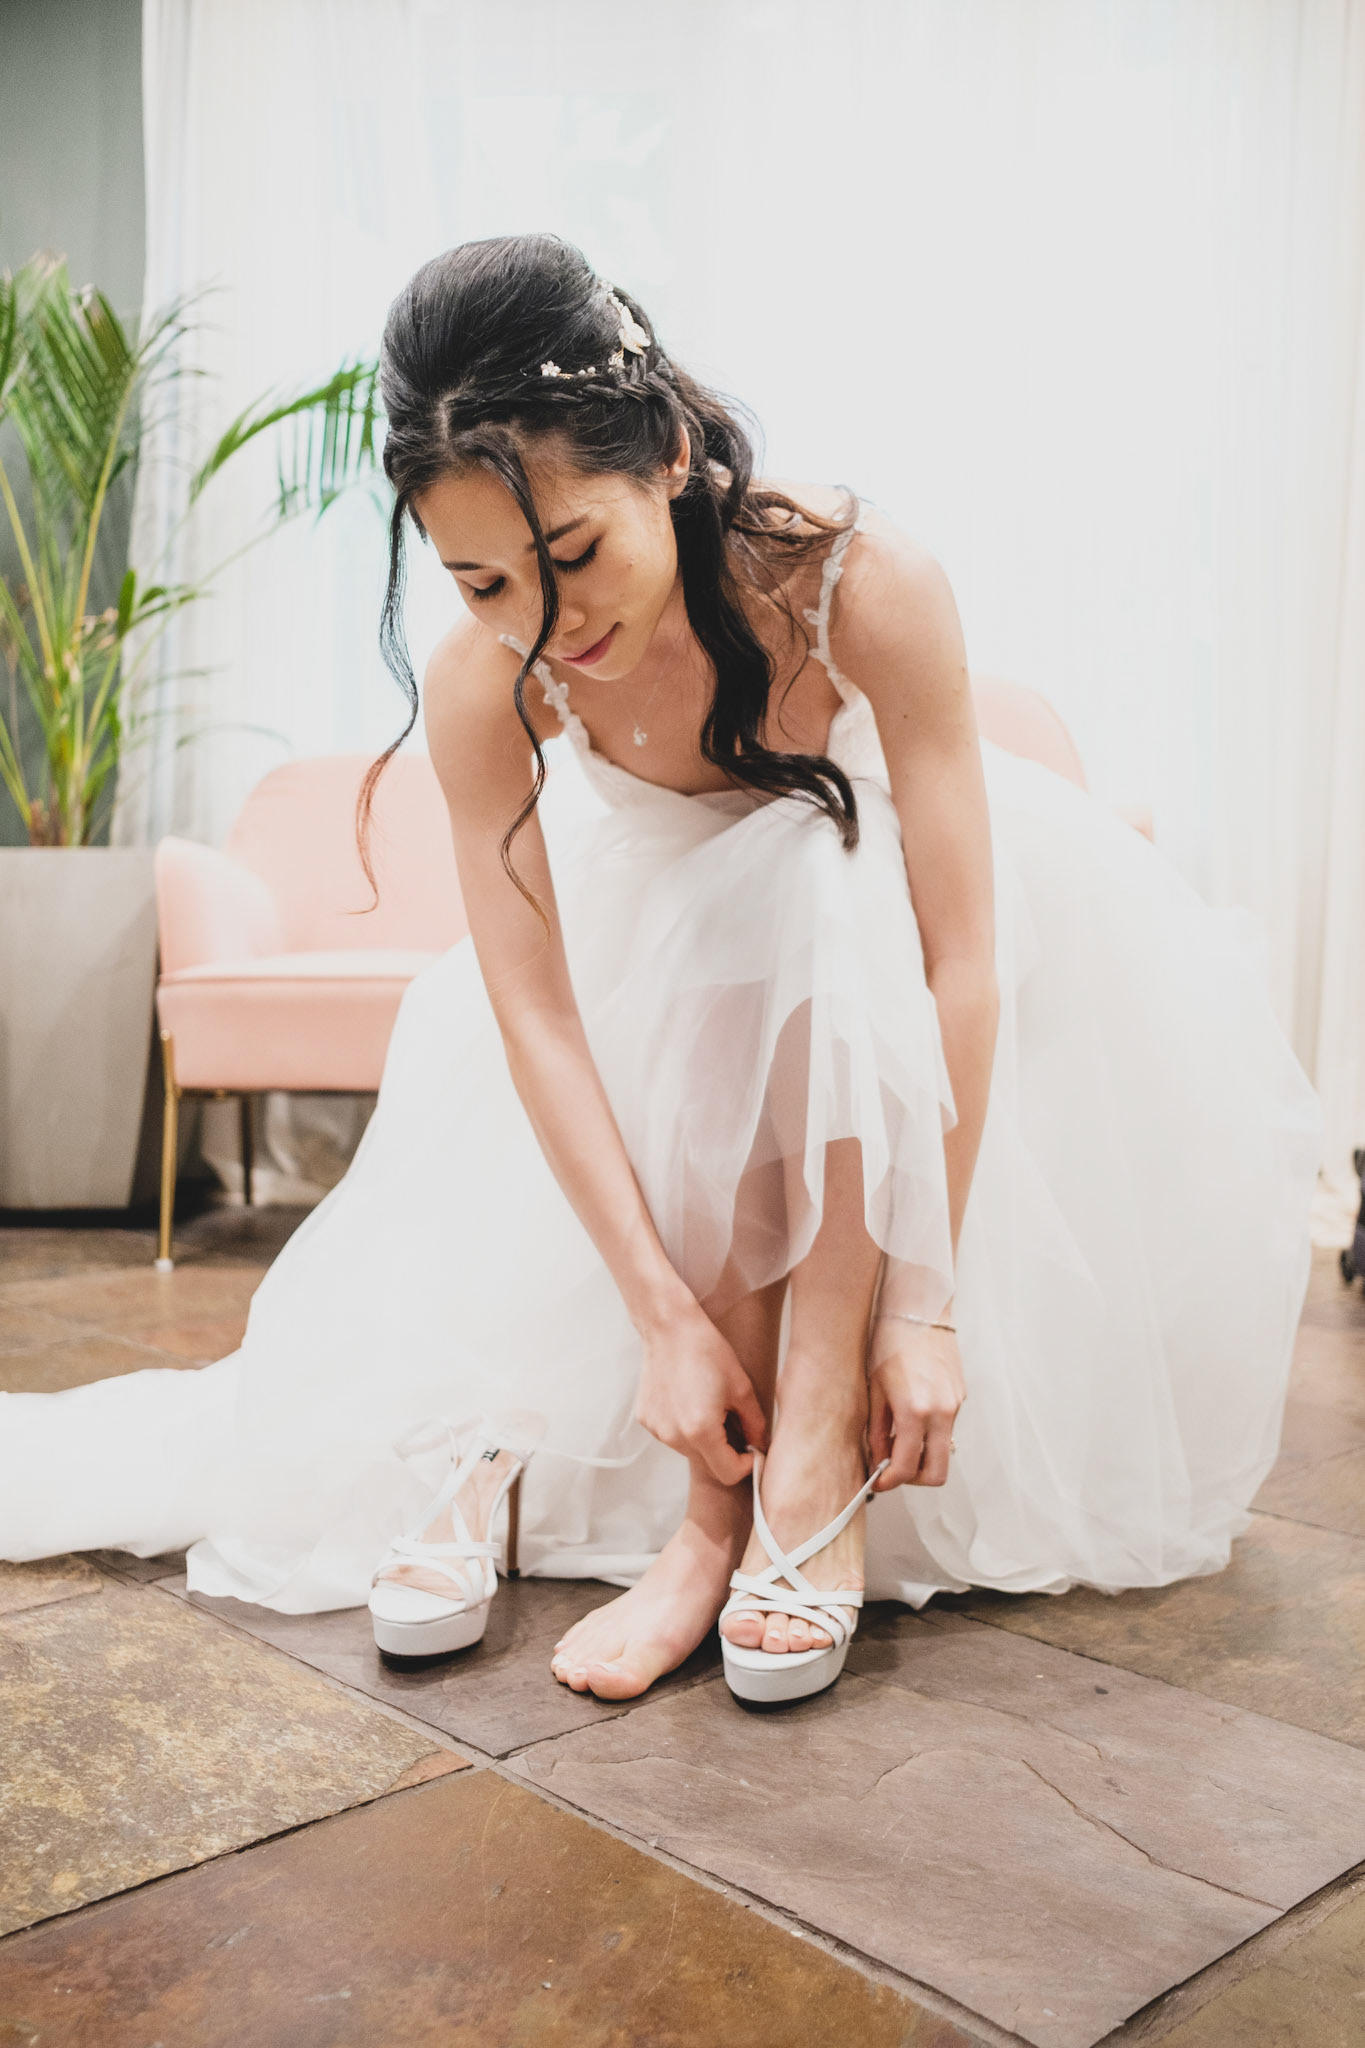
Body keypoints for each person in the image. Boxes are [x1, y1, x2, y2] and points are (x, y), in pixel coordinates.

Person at [0, 234, 1324, 1706]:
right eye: (482, 581)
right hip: (669, 972)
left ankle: (802, 1446)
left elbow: (961, 960)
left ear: (672, 456)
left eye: (572, 555)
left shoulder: (862, 581)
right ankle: (709, 1508)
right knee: (739, 934)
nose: (546, 624)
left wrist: (925, 1305)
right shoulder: (486, 680)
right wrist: (662, 1319)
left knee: (810, 872)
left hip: (905, 973)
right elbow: (533, 1008)